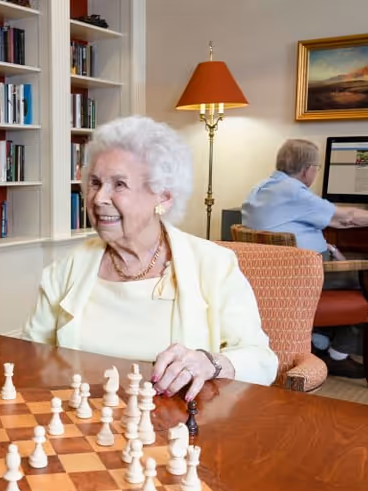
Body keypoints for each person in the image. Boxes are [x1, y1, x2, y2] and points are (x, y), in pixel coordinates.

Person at [21, 116, 278, 401]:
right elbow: (30, 356)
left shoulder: (214, 266)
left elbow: (262, 360)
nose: (98, 198)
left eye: (119, 185)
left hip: (178, 427)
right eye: (95, 182)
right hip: (82, 422)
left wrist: (211, 363)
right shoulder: (66, 269)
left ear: (163, 197)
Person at [241, 139, 368, 379]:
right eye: (317, 168)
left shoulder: (260, 188)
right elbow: (346, 217)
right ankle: (338, 354)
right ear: (308, 169)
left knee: (355, 274)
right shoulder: (294, 191)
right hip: (303, 275)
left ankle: (319, 340)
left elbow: (326, 220)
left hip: (273, 277)